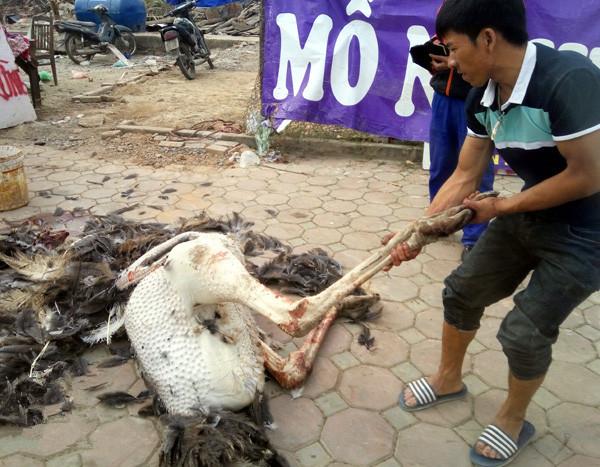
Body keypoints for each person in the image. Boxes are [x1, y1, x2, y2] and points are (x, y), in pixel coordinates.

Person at [386, 0, 600, 465]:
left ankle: (512, 418)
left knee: (524, 332)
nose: (450, 62)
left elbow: (588, 175)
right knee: (461, 291)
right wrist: (415, 232)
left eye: (454, 49)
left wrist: (502, 206)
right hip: (531, 207)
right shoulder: (480, 95)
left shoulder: (568, 79)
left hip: (589, 228)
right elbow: (464, 176)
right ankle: (447, 379)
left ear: (487, 38)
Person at [427, 41, 495, 260]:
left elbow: (490, 63)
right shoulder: (446, 18)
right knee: (440, 166)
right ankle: (437, 224)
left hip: (473, 99)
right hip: (442, 99)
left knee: (478, 172)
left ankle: (474, 239)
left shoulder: (485, 23)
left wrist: (453, 63)